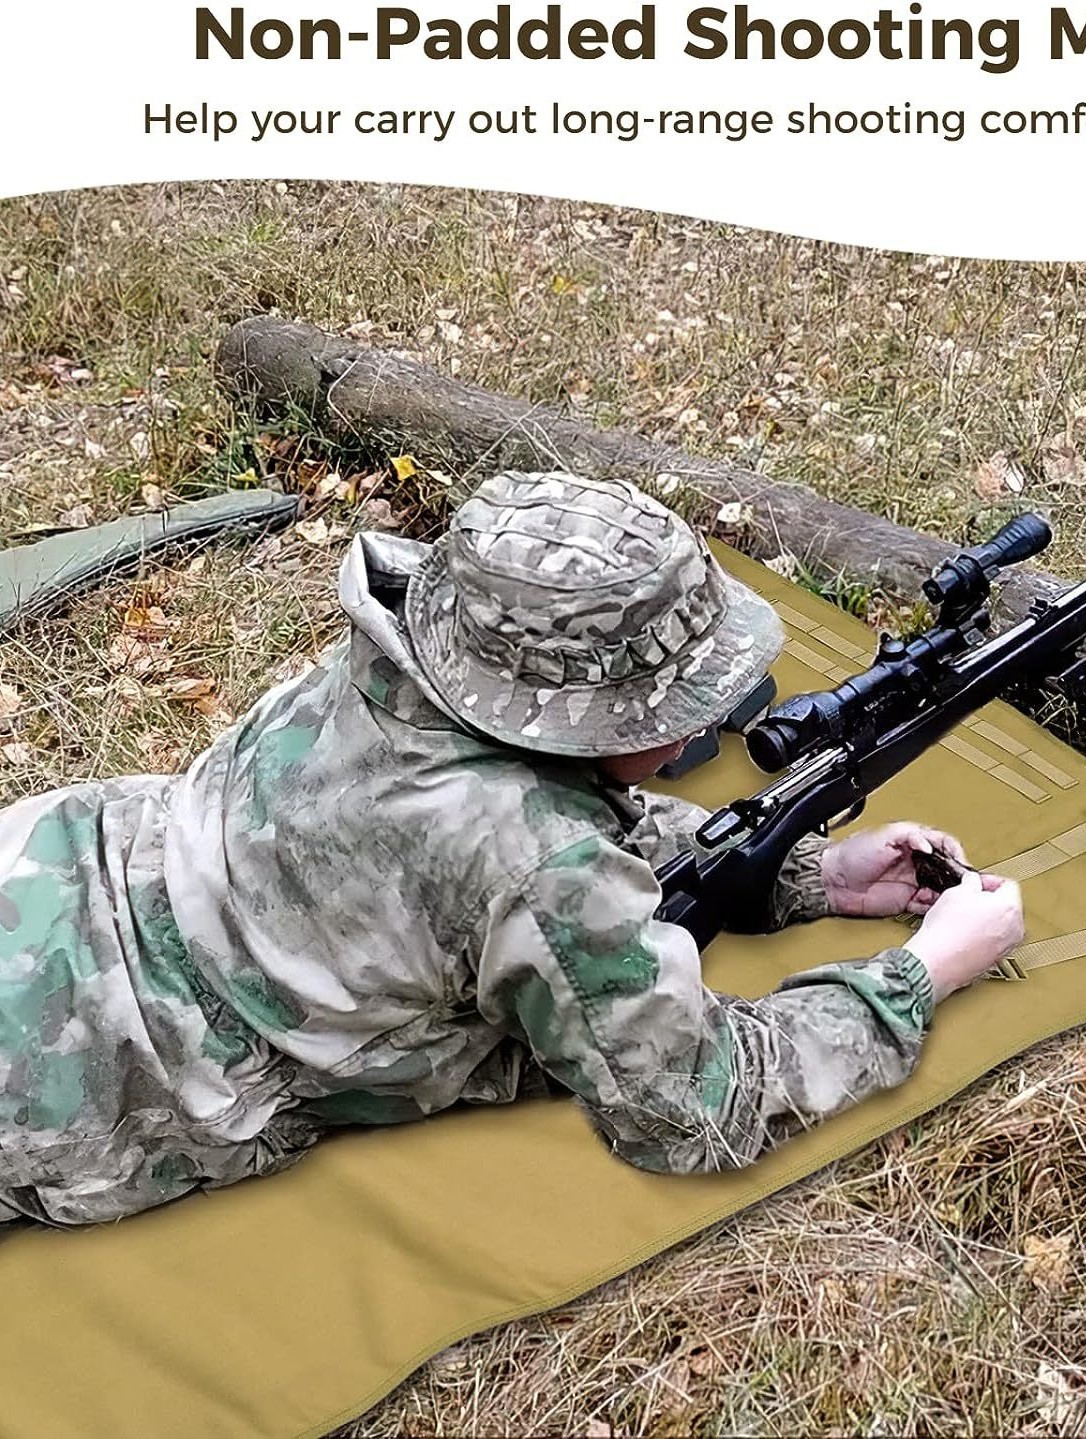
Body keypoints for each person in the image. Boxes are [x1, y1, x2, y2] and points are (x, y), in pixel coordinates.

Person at [0, 471, 1024, 1228]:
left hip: (49, 869)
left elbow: (504, 828)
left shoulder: (401, 660)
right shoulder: (537, 862)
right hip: (79, 1089)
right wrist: (921, 972)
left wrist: (807, 871)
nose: (702, 724)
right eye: (680, 704)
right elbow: (693, 1107)